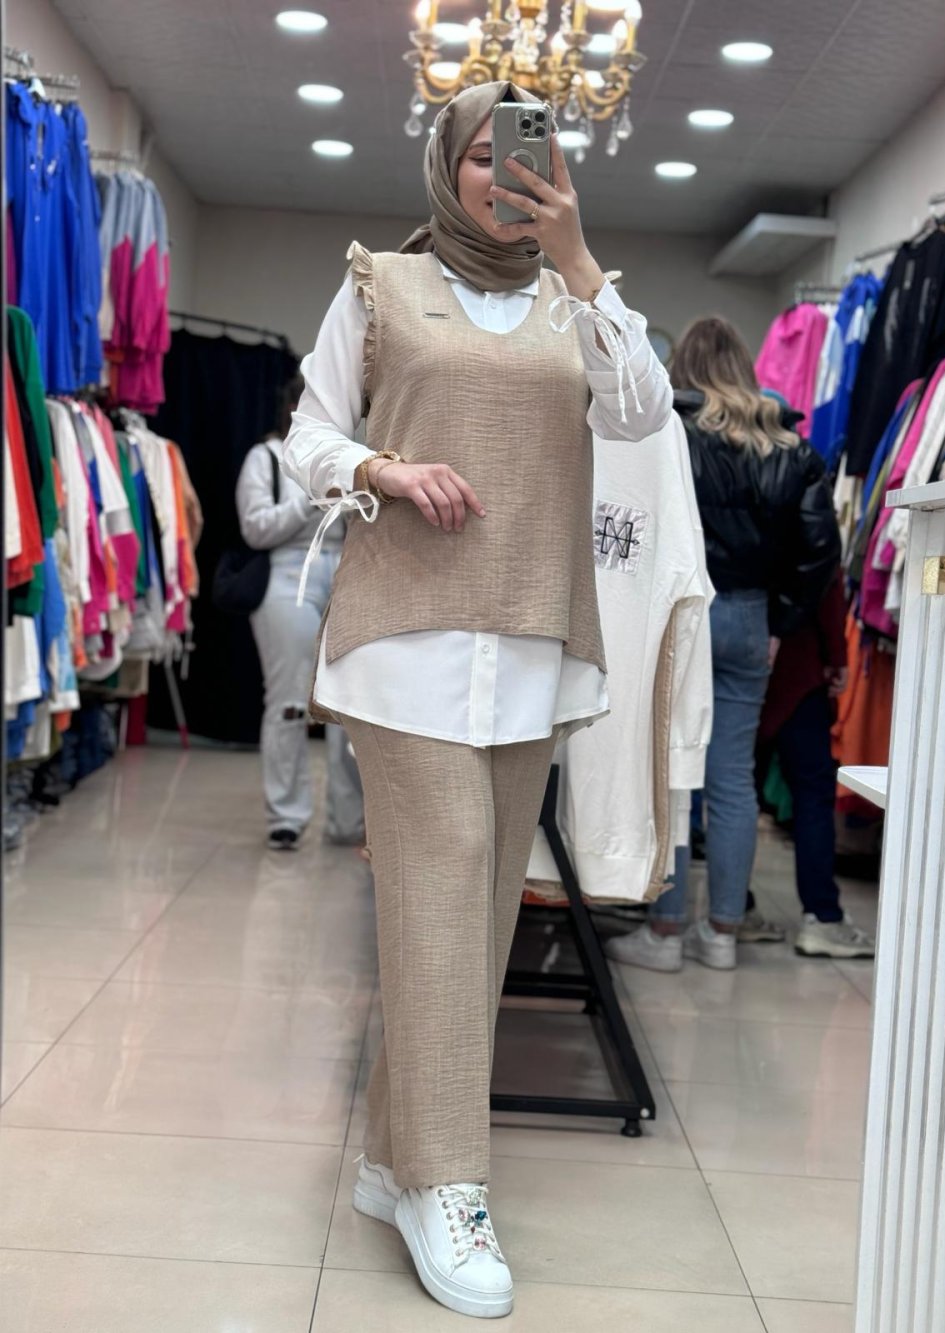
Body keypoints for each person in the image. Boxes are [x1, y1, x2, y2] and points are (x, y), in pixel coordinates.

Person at [282, 82, 671, 1320]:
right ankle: (447, 1183)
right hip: (404, 646)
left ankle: (389, 1156)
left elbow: (642, 413)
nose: (511, 175)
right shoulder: (380, 288)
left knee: (481, 912)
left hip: (532, 647)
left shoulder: (573, 305)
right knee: (446, 882)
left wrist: (581, 259)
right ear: (449, 167)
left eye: (533, 156)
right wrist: (384, 469)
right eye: (488, 157)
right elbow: (307, 434)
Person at [607, 316, 840, 974]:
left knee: (672, 773)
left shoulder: (669, 432)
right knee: (733, 778)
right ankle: (722, 934)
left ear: (681, 366)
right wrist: (780, 623)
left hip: (678, 612)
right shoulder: (790, 445)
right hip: (748, 617)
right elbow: (821, 552)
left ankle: (665, 931)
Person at [235, 375, 365, 852]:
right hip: (287, 577)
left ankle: (349, 820)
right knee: (290, 702)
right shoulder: (265, 457)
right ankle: (286, 816)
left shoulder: (349, 455)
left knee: (347, 706)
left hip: (345, 577)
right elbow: (255, 529)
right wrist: (313, 502)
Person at [754, 578, 876, 958]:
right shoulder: (813, 534)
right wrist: (837, 658)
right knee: (813, 794)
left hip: (745, 652)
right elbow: (826, 587)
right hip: (800, 665)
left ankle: (730, 912)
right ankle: (822, 917)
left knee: (737, 788)